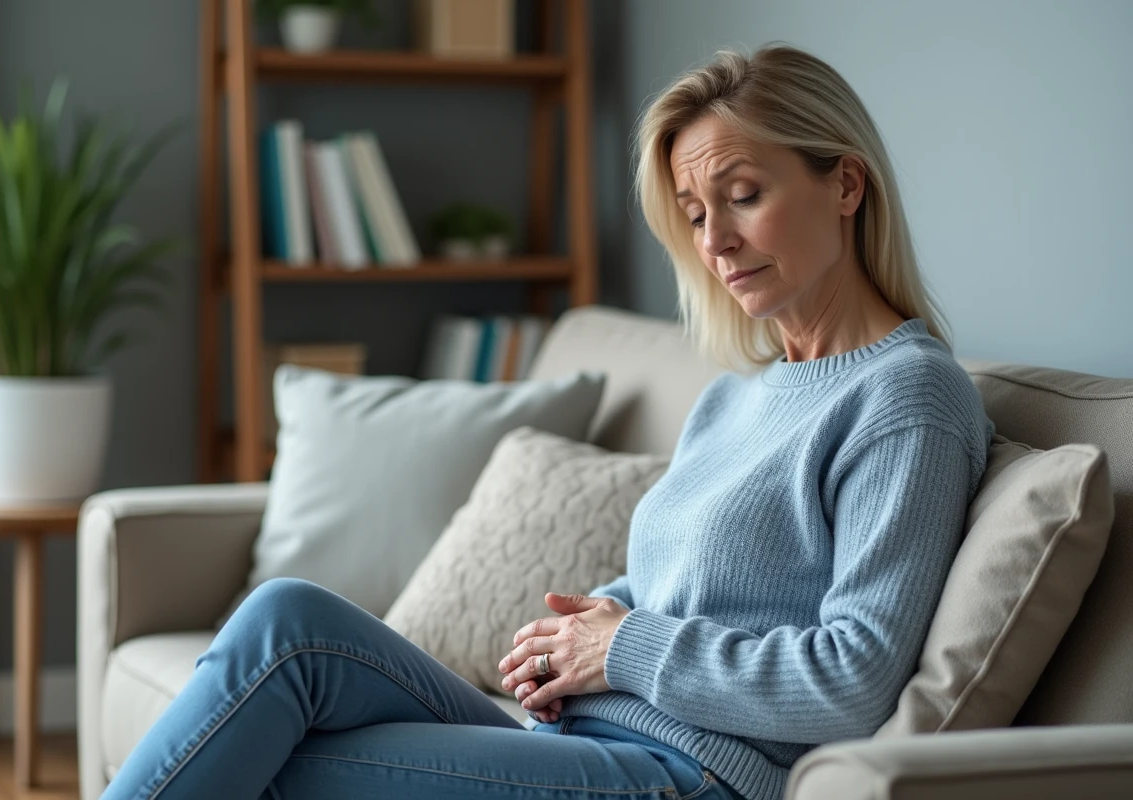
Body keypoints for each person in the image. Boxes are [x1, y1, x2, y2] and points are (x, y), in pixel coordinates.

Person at [103, 44, 992, 800]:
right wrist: (588, 625)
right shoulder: (738, 394)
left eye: (744, 194)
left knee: (264, 761)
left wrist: (623, 645)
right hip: (583, 735)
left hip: (689, 772)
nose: (714, 240)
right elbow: (680, 586)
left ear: (846, 184)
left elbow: (853, 679)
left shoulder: (907, 398)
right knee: (286, 620)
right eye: (693, 214)